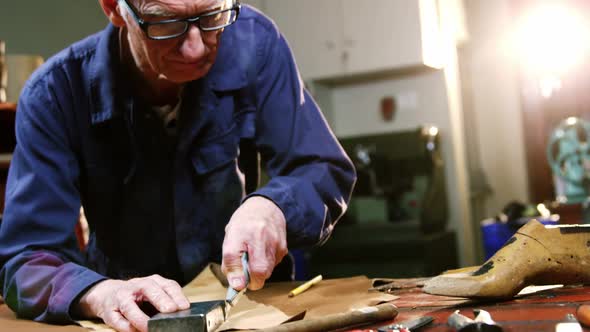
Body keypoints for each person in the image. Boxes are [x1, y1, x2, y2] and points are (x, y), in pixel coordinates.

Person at [0, 0, 356, 331]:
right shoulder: (56, 94)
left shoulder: (255, 44)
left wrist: (274, 207)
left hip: (250, 311)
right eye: (165, 22)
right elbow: (27, 260)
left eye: (211, 16)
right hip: (133, 320)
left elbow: (322, 168)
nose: (196, 47)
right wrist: (99, 294)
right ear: (114, 7)